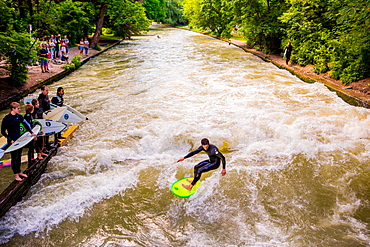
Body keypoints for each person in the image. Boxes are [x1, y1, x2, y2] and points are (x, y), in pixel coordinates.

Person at [1, 102, 37, 181]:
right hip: (12, 140)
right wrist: (10, 139)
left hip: (19, 139)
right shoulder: (7, 118)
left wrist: (32, 133)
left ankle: (19, 172)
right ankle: (15, 175)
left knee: (19, 156)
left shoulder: (19, 116)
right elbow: (3, 131)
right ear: (13, 109)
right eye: (18, 108)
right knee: (14, 158)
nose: (20, 110)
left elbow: (26, 125)